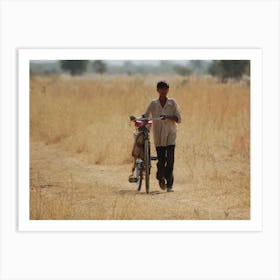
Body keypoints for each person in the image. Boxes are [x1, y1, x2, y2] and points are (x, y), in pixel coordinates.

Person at [143, 81, 181, 192]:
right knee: (161, 160)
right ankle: (160, 176)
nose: (164, 91)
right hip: (159, 137)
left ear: (168, 89)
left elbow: (178, 119)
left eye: (166, 89)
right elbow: (146, 115)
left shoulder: (172, 103)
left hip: (170, 135)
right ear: (157, 90)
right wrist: (140, 119)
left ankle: (169, 185)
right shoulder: (153, 103)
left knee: (170, 160)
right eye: (161, 89)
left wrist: (168, 116)